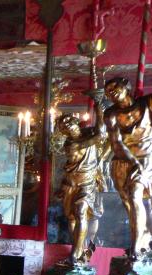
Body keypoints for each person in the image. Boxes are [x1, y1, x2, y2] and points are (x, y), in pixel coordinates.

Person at [104, 77, 152, 257]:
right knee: (129, 205)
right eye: (108, 91)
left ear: (126, 85)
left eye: (114, 86)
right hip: (123, 162)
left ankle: (137, 247)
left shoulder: (147, 104)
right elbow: (116, 144)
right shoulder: (110, 114)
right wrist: (134, 162)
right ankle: (141, 239)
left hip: (146, 159)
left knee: (136, 196)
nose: (112, 91)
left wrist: (141, 163)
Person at [54, 113, 107, 264]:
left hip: (87, 184)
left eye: (68, 121)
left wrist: (99, 111)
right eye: (63, 125)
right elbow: (99, 135)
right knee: (71, 218)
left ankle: (75, 253)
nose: (66, 125)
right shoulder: (71, 144)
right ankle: (79, 248)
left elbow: (101, 133)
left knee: (81, 212)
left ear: (75, 121)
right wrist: (62, 187)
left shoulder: (87, 135)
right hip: (71, 185)